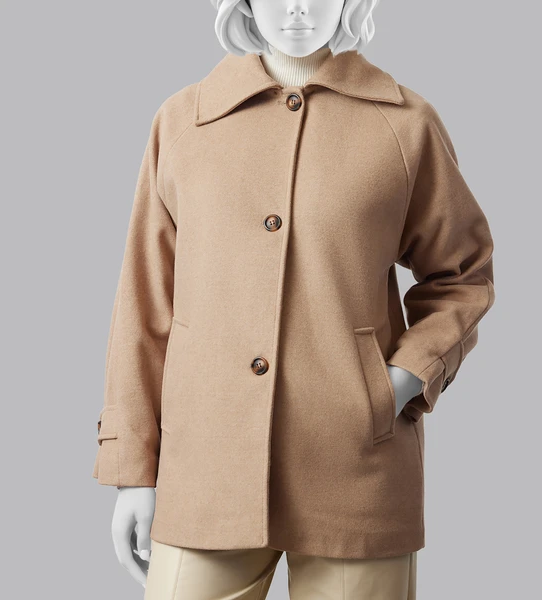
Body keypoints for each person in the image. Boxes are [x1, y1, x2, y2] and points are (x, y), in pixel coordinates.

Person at [92, 1, 495, 598]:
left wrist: (400, 381)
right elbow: (144, 305)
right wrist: (132, 471)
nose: (299, 8)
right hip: (204, 466)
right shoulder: (184, 122)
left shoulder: (406, 125)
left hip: (356, 468)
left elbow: (463, 275)